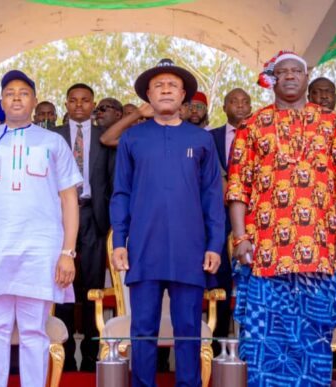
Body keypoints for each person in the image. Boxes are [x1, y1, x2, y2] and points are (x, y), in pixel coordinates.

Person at [227, 51, 336, 386]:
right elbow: (238, 185)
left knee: (314, 334)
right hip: (266, 251)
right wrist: (240, 238)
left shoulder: (331, 123)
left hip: (318, 246)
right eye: (281, 72)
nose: (289, 77)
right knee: (264, 336)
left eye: (295, 71)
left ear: (306, 76)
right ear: (273, 78)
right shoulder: (252, 125)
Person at [0, 70, 81, 386]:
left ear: (34, 101)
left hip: (40, 251)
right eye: (10, 92)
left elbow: (69, 201)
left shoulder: (53, 142)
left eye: (24, 92)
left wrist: (67, 252)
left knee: (34, 331)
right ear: (2, 100)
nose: (16, 98)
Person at [111, 58, 225, 387]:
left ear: (184, 95)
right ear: (148, 94)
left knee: (188, 331)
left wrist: (214, 245)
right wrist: (120, 241)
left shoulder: (201, 140)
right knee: (143, 329)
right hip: (144, 248)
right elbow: (121, 193)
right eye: (158, 85)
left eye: (172, 85)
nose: (165, 90)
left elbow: (212, 197)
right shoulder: (133, 139)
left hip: (190, 250)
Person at [51, 83, 114, 371]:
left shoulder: (106, 137)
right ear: (66, 103)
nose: (79, 105)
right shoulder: (52, 136)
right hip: (60, 217)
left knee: (92, 290)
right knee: (62, 287)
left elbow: (113, 182)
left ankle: (90, 356)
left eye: (85, 101)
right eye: (73, 100)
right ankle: (62, 354)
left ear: (93, 106)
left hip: (93, 216)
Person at [208, 87, 251, 354]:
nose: (240, 105)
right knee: (220, 278)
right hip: (218, 216)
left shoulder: (260, 132)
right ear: (224, 107)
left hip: (254, 216)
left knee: (252, 278)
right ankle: (217, 345)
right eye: (234, 101)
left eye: (245, 101)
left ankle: (250, 345)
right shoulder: (209, 137)